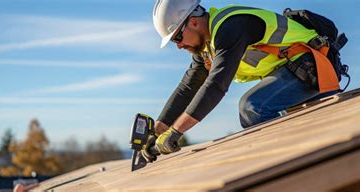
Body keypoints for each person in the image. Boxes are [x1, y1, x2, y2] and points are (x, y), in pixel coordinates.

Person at [142, 0, 342, 161]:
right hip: (294, 71)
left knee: (252, 108)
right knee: (327, 130)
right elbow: (188, 86)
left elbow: (216, 85)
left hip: (312, 64)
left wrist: (176, 131)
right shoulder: (206, 47)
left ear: (193, 22)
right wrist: (158, 130)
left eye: (177, 38)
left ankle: (290, 165)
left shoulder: (229, 27)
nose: (178, 46)